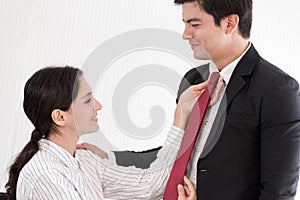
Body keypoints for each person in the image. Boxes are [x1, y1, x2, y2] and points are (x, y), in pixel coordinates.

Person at [93, 0, 300, 199]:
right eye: (184, 24)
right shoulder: (193, 79)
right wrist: (109, 157)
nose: (185, 34)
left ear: (229, 23)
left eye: (194, 24)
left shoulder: (278, 90)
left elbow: (278, 193)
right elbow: (175, 154)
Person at [5, 66, 223, 200]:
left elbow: (149, 186)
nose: (98, 106)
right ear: (60, 117)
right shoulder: (47, 176)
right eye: (88, 100)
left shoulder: (84, 160)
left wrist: (181, 115)